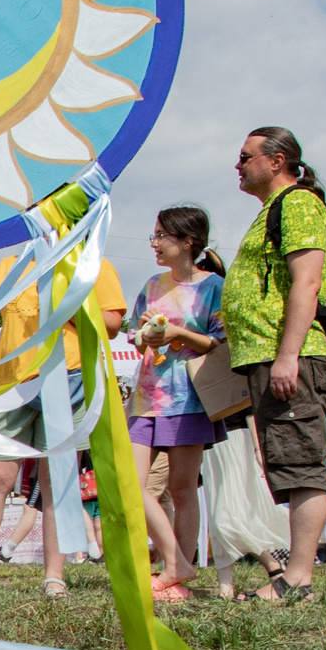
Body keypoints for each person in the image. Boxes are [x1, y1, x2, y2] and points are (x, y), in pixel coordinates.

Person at [0, 247, 128, 597]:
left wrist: (67, 294)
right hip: (9, 385)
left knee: (58, 480)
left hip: (67, 381)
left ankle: (54, 577)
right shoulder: (15, 265)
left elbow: (111, 324)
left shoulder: (93, 262)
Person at [218, 127, 326, 603]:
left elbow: (306, 283)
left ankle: (298, 579)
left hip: (291, 354)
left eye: (245, 156)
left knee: (302, 464)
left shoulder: (299, 204)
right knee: (288, 463)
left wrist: (288, 355)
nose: (238, 164)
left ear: (277, 160)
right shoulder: (274, 209)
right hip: (268, 355)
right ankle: (294, 574)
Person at [125, 206, 226, 601]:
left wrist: (177, 333)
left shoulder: (213, 286)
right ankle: (176, 562)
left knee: (184, 490)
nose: (154, 243)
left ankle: (177, 577)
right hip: (146, 396)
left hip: (191, 397)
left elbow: (218, 342)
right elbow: (134, 336)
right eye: (153, 235)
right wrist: (145, 337)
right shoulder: (152, 285)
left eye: (161, 236)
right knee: (132, 485)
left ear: (187, 241)